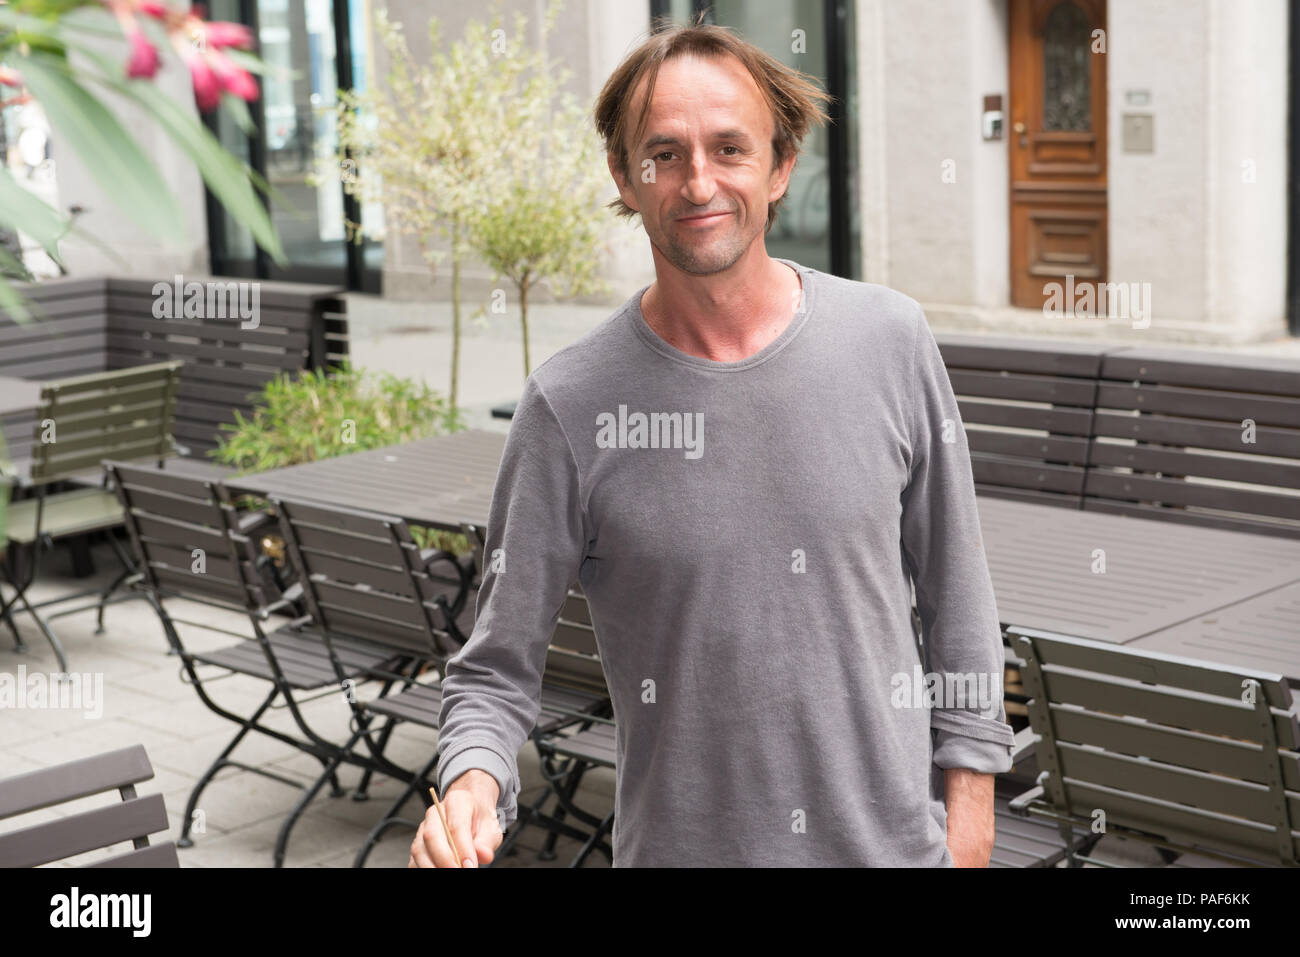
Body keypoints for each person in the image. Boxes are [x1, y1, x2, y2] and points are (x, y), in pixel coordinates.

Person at [410, 20, 1014, 868]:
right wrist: (472, 784)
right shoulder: (567, 405)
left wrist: (970, 823)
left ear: (780, 165)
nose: (699, 182)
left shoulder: (890, 338)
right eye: (664, 154)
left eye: (730, 149)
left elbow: (958, 595)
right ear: (623, 175)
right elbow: (494, 669)